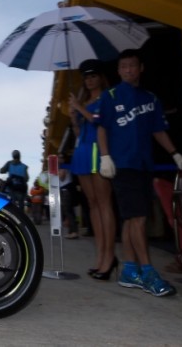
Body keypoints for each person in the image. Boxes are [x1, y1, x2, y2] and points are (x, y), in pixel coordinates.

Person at [97, 49, 182, 297]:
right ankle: (148, 271)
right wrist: (105, 157)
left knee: (132, 220)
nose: (128, 70)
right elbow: (102, 128)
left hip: (144, 165)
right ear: (118, 71)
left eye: (132, 66)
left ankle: (129, 270)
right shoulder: (110, 96)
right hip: (122, 165)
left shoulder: (150, 98)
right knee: (138, 218)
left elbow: (158, 130)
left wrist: (175, 154)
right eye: (123, 66)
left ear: (141, 68)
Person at [68, 59, 116, 277]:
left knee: (104, 204)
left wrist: (80, 108)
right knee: (92, 205)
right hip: (82, 152)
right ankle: (101, 256)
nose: (89, 80)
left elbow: (102, 122)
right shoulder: (83, 100)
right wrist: (74, 118)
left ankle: (109, 256)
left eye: (93, 76)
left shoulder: (107, 96)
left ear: (100, 77)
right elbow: (79, 134)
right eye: (86, 77)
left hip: (100, 151)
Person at [58, 154, 79, 239]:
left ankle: (74, 231)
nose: (58, 159)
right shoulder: (68, 166)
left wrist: (56, 173)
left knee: (68, 211)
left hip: (66, 189)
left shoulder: (63, 166)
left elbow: (62, 177)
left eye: (59, 158)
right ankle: (72, 231)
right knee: (69, 211)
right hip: (68, 189)